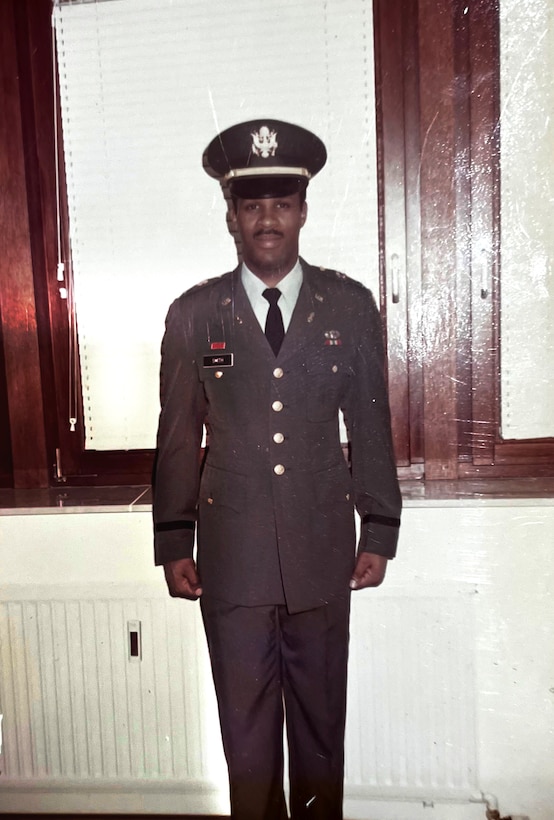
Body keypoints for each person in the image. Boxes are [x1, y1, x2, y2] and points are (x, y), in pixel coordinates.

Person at [152, 119, 401, 820]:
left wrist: (378, 527)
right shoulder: (195, 315)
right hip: (233, 560)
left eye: (282, 204)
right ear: (231, 215)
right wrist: (174, 541)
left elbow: (371, 424)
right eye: (252, 205)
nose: (268, 220)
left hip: (323, 552)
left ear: (303, 210)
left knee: (321, 732)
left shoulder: (348, 308)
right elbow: (176, 438)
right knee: (249, 739)